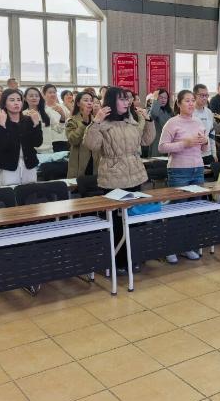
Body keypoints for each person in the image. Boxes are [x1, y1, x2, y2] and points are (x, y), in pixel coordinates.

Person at [83, 87, 154, 272]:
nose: (126, 102)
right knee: (116, 222)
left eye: (127, 99)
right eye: (122, 99)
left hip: (135, 174)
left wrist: (148, 121)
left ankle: (134, 256)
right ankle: (118, 260)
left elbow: (146, 141)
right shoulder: (103, 123)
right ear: (111, 102)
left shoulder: (130, 121)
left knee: (134, 218)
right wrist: (95, 122)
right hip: (113, 177)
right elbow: (91, 145)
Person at [159, 90, 209, 264]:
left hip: (198, 169)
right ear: (179, 103)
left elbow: (204, 149)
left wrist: (205, 142)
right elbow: (162, 147)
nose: (191, 103)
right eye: (187, 100)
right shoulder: (172, 123)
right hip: (179, 170)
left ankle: (188, 246)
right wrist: (183, 144)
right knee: (178, 210)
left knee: (194, 210)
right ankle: (171, 248)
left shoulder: (199, 122)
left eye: (192, 100)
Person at [0, 89, 43, 186]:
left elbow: (37, 143)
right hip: (8, 164)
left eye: (19, 100)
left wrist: (36, 125)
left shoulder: (29, 120)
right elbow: (2, 145)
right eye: (12, 100)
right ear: (4, 103)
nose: (16, 103)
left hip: (29, 163)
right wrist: (2, 127)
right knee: (10, 191)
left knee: (31, 191)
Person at [65, 91, 97, 178]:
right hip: (80, 163)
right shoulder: (72, 120)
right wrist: (84, 123)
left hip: (95, 161)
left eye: (91, 100)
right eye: (86, 100)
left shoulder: (96, 119)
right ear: (78, 103)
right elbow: (73, 140)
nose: (89, 103)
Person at [22, 87, 53, 154]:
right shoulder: (23, 114)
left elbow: (58, 129)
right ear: (25, 98)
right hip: (31, 151)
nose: (34, 98)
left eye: (37, 96)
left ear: (40, 98)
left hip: (48, 151)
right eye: (31, 96)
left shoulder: (47, 112)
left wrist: (62, 117)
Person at [192, 84, 217, 165]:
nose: (205, 98)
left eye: (206, 95)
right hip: (193, 154)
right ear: (194, 96)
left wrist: (214, 153)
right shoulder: (190, 112)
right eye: (202, 95)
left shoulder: (209, 112)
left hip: (208, 153)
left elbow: (211, 134)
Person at [148, 88, 173, 157]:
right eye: (161, 97)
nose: (163, 100)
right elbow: (153, 114)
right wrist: (155, 100)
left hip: (169, 141)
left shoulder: (170, 111)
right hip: (157, 141)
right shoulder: (152, 110)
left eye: (165, 98)